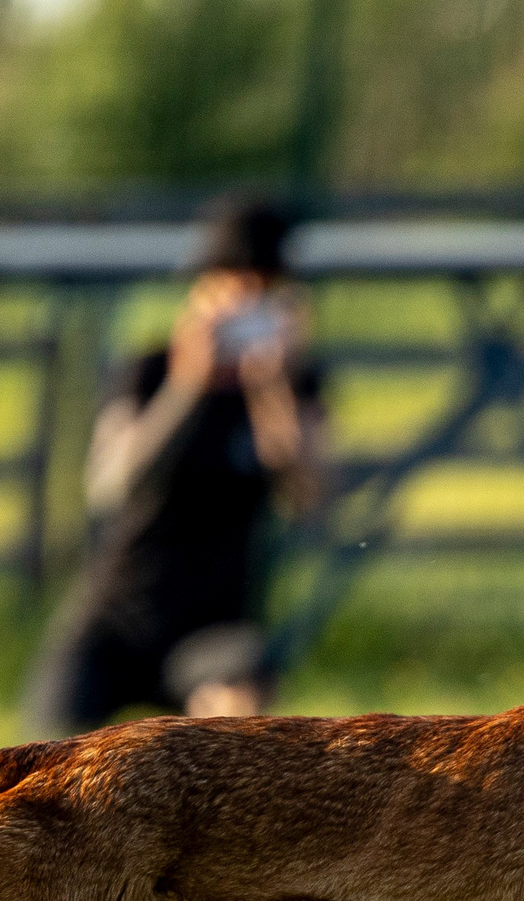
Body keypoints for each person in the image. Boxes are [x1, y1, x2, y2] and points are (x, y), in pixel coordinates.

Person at [24, 197, 326, 733]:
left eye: (261, 296)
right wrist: (187, 387)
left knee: (240, 716)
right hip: (118, 616)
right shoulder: (148, 371)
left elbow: (309, 497)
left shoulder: (292, 388)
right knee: (52, 745)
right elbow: (112, 485)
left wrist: (274, 390)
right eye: (232, 292)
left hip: (212, 626)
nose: (244, 310)